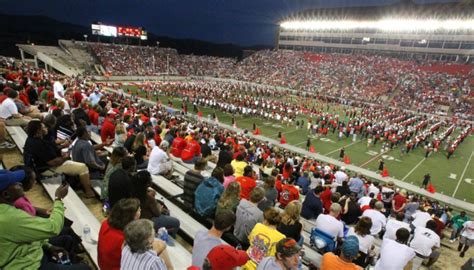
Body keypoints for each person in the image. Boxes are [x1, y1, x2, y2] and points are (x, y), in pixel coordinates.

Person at [0, 170, 89, 269]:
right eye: (15, 183)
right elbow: (53, 228)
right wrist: (58, 199)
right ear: (6, 194)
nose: (20, 183)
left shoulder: (7, 211)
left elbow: (29, 234)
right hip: (30, 266)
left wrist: (49, 247)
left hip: (32, 253)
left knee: (67, 240)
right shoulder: (10, 218)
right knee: (85, 268)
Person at [24, 120, 95, 197]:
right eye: (43, 127)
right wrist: (66, 157)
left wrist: (63, 146)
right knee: (83, 167)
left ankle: (77, 182)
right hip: (45, 170)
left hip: (37, 168)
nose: (46, 128)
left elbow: (50, 146)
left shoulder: (31, 139)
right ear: (38, 130)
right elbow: (54, 162)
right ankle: (89, 192)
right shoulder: (38, 144)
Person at [131, 171, 180, 238]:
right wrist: (160, 208)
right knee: (175, 222)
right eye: (150, 179)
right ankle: (168, 237)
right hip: (147, 220)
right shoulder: (149, 198)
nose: (152, 180)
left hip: (136, 217)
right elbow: (157, 213)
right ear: (147, 183)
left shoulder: (133, 191)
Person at [98, 198, 141, 270]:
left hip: (103, 265)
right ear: (133, 216)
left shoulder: (105, 223)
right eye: (139, 210)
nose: (140, 211)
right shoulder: (126, 238)